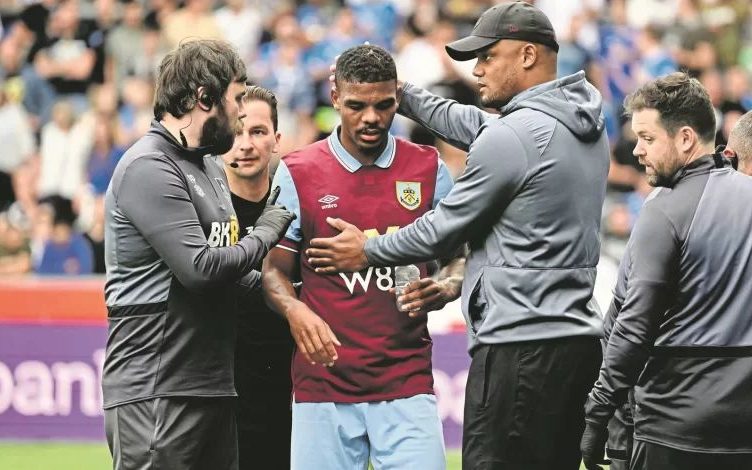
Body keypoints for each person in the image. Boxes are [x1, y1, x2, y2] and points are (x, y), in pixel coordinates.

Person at [306, 3, 610, 469]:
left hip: (518, 350)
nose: (477, 68)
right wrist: (400, 94)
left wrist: (367, 249)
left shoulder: (516, 137)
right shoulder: (579, 122)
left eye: (488, 56)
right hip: (574, 346)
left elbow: (440, 229)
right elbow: (477, 127)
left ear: (527, 55)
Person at [262, 44, 461, 470]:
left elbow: (458, 258)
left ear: (397, 99)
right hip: (323, 384)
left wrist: (446, 285)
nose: (371, 118)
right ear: (335, 98)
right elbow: (272, 271)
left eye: (383, 105)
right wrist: (295, 311)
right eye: (356, 105)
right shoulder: (298, 171)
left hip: (406, 381)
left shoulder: (427, 167)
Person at [101, 39, 294, 470]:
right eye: (237, 98)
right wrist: (266, 229)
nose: (243, 111)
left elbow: (235, 276)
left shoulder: (208, 165)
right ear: (205, 97)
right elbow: (202, 269)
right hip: (157, 390)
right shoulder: (148, 166)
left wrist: (300, 294)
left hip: (214, 388)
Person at [581, 72, 752, 470]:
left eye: (647, 138)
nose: (637, 150)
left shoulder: (664, 209)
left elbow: (630, 326)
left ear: (686, 138)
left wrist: (598, 413)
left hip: (675, 428)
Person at [218, 85, 294, 470]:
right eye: (235, 131)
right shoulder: (199, 212)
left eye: (258, 132)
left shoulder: (295, 212)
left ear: (276, 140)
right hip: (219, 392)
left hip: (287, 391)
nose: (245, 144)